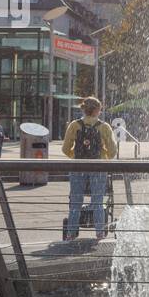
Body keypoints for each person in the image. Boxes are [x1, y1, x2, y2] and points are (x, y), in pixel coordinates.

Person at [62, 95, 117, 242]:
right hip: (98, 166)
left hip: (77, 166)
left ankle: (71, 233)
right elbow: (112, 152)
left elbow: (65, 149)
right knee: (98, 201)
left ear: (84, 109)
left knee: (75, 201)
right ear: (97, 110)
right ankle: (99, 233)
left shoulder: (74, 125)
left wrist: (76, 156)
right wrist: (103, 155)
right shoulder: (104, 127)